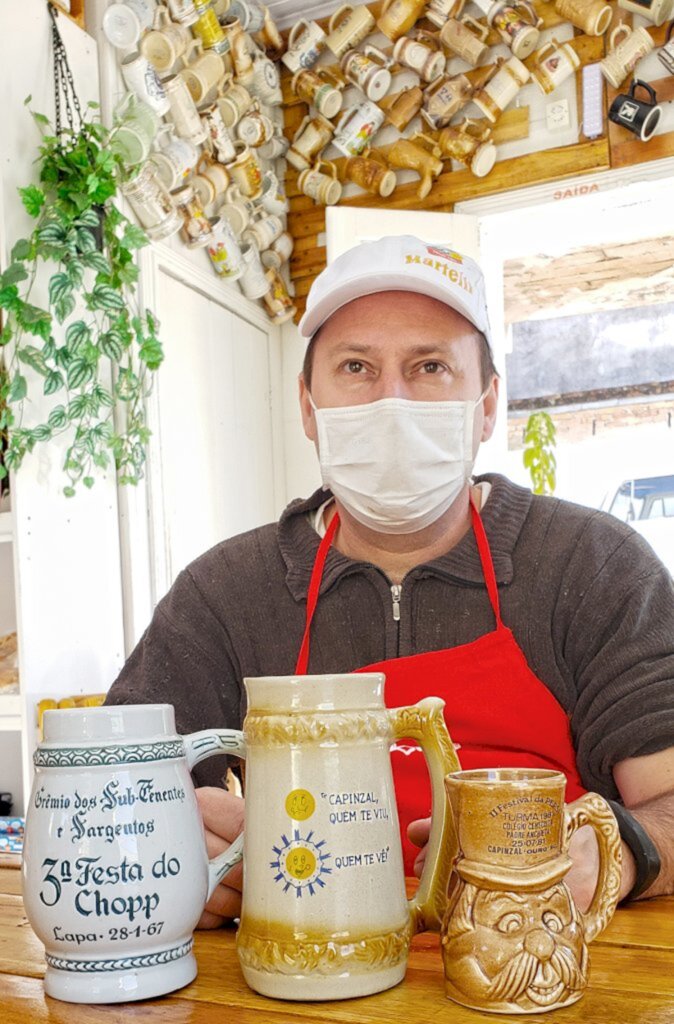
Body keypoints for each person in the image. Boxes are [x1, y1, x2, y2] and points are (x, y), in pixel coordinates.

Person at [106, 235, 674, 928]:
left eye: (430, 366)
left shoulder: (595, 565)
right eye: (356, 367)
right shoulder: (225, 591)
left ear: (488, 404)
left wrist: (611, 852)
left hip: (534, 965)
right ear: (309, 406)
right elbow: (115, 786)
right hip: (302, 977)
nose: (391, 403)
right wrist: (170, 850)